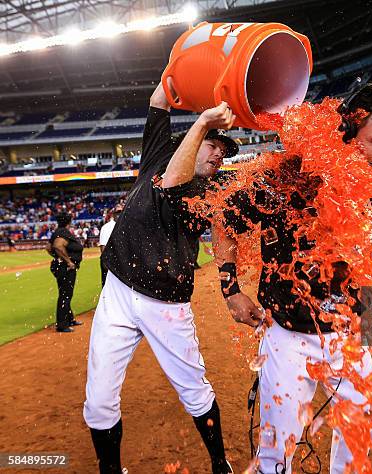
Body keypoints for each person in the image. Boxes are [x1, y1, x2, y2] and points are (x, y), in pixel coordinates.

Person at [213, 83, 372, 473]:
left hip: (353, 337)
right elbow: (224, 219)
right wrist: (230, 290)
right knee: (276, 450)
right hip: (290, 337)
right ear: (346, 132)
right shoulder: (288, 177)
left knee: (358, 444)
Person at [83, 80, 239, 474]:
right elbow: (158, 98)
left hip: (166, 303)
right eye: (213, 145)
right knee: (98, 399)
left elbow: (174, 184)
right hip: (118, 289)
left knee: (194, 391)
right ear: (194, 139)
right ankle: (109, 468)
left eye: (224, 152)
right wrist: (181, 62)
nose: (218, 155)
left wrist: (204, 122)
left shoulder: (212, 188)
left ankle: (220, 464)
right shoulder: (159, 153)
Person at [47, 212, 84, 332]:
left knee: (65, 293)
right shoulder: (63, 233)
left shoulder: (57, 232)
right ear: (69, 221)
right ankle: (62, 325)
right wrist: (68, 261)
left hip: (60, 266)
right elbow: (58, 246)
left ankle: (69, 318)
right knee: (65, 294)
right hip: (65, 268)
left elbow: (49, 248)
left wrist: (58, 258)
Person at [98, 203, 124, 287]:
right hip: (111, 265)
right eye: (117, 212)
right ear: (113, 214)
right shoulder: (107, 228)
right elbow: (104, 249)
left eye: (121, 212)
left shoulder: (126, 226)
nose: (119, 214)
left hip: (122, 265)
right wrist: (108, 267)